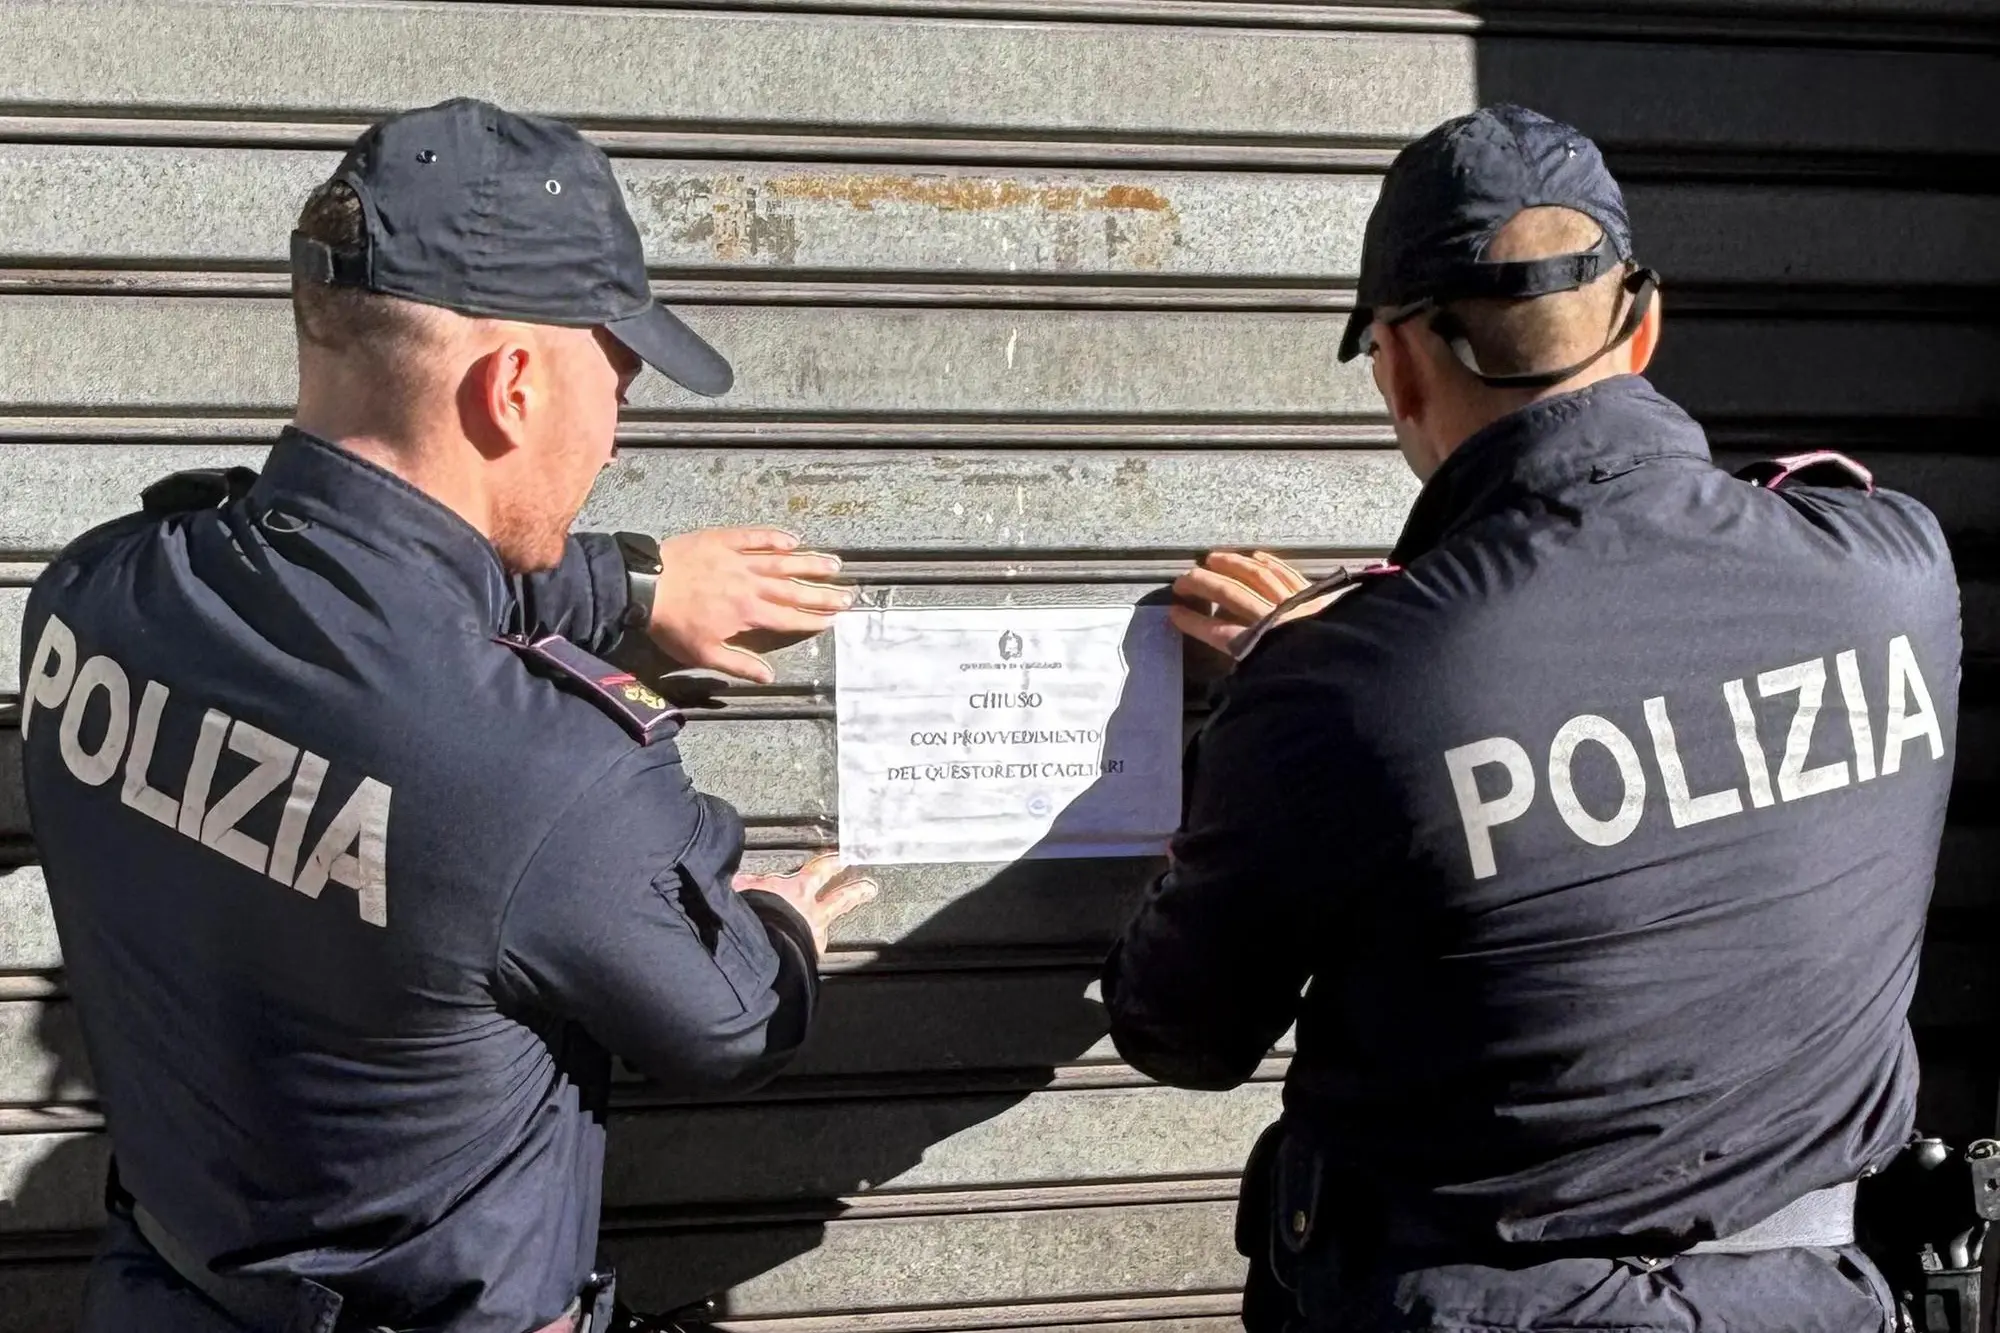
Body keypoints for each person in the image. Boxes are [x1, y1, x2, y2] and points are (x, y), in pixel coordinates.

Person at [19, 98, 878, 1333]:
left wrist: (631, 585)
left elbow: (352, 583)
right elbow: (729, 1021)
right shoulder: (553, 781)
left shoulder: (97, 592)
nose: (617, 436)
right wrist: (779, 925)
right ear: (514, 388)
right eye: (619, 380)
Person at [1102, 104, 1960, 1332]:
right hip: (1814, 1300)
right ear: (1643, 325)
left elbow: (1179, 1031)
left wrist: (1292, 693)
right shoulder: (1892, 571)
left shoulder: (1336, 687)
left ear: (1397, 367)